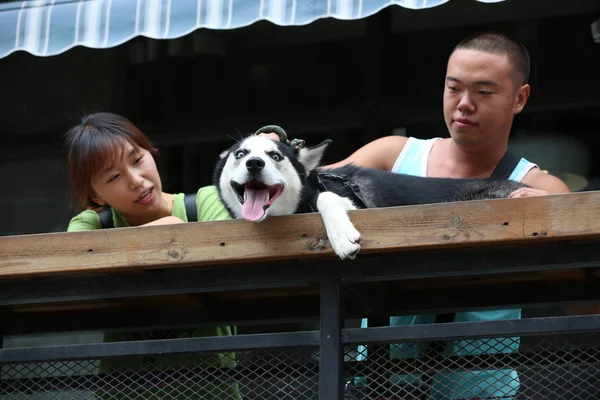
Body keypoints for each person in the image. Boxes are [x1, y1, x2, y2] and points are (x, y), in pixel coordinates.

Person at [261, 31, 571, 399]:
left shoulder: (538, 186)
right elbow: (307, 189)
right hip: (378, 384)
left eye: (484, 92)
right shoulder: (390, 156)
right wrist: (275, 150)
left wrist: (545, 210)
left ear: (520, 98)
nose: (464, 104)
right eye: (453, 88)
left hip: (479, 391)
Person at [64, 112, 241, 399]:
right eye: (113, 177)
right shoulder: (92, 223)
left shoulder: (207, 200)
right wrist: (170, 230)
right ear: (96, 196)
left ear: (151, 153)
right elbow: (71, 255)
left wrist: (121, 255)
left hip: (210, 392)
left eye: (137, 160)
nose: (136, 180)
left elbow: (225, 247)